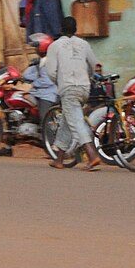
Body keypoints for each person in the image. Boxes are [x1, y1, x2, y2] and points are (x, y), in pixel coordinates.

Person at [43, 16, 104, 171]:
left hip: (68, 88)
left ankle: (92, 155)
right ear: (75, 29)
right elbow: (95, 65)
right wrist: (88, 77)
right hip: (84, 88)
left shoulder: (55, 46)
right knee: (68, 120)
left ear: (61, 29)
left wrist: (60, 81)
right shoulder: (84, 44)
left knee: (76, 121)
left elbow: (51, 71)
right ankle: (59, 159)